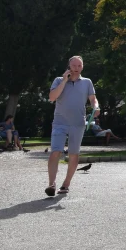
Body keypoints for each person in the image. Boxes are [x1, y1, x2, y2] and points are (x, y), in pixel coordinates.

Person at [46, 55, 98, 196]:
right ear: (69, 66)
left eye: (79, 66)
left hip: (78, 123)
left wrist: (96, 107)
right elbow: (52, 97)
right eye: (74, 66)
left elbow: (93, 99)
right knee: (55, 152)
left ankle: (66, 184)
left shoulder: (87, 82)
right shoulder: (58, 80)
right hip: (60, 122)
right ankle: (51, 184)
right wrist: (64, 80)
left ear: (82, 67)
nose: (76, 68)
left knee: (73, 154)